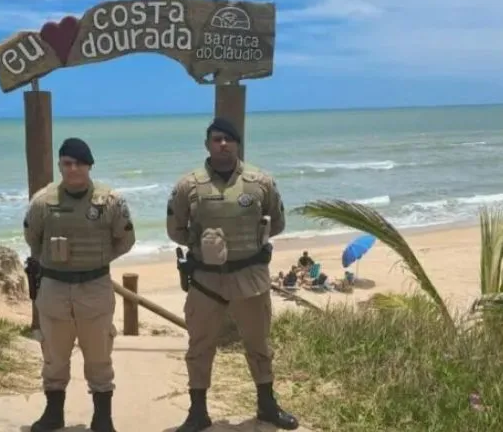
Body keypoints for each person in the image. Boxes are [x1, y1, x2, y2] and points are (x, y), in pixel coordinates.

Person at [166, 117, 299, 431]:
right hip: (205, 280)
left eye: (228, 139)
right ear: (207, 145)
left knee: (259, 344)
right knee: (200, 345)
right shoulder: (189, 185)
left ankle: (267, 406)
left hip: (250, 276)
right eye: (216, 139)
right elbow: (175, 229)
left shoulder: (260, 182)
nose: (222, 144)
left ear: (238, 144)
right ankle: (197, 412)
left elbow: (277, 222)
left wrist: (250, 243)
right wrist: (201, 245)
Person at [23, 137, 136, 432]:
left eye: (79, 163)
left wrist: (98, 259)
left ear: (89, 165)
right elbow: (32, 240)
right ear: (60, 165)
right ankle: (53, 414)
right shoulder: (43, 201)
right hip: (55, 289)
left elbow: (126, 240)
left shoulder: (110, 201)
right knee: (54, 356)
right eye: (66, 163)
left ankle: (102, 418)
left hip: (95, 287)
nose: (72, 169)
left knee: (99, 356)